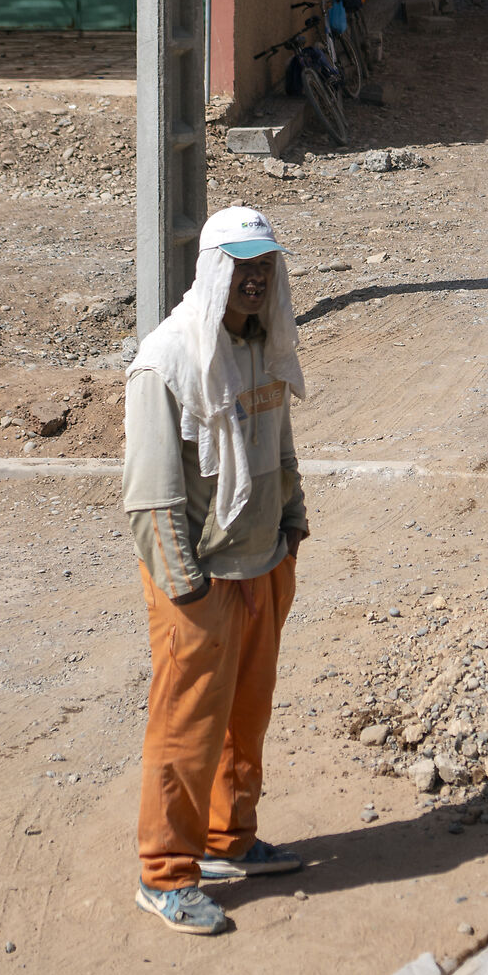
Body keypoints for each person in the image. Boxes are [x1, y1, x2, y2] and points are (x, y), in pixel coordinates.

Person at [123, 205, 310, 936]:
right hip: (198, 579)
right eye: (243, 266)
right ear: (214, 271)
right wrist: (187, 588)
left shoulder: (264, 344)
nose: (256, 279)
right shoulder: (165, 362)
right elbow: (151, 495)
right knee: (186, 728)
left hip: (264, 560)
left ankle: (230, 840)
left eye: (265, 265)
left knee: (246, 718)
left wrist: (293, 521)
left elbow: (280, 435)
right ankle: (165, 872)